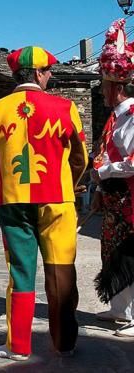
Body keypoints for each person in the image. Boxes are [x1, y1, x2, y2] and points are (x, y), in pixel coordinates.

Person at [0, 46, 88, 360]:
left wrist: (3, 184)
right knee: (61, 271)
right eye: (48, 71)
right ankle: (64, 343)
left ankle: (19, 346)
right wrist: (71, 183)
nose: (51, 76)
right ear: (38, 73)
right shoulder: (65, 107)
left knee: (21, 272)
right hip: (57, 199)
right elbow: (80, 158)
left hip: (14, 202)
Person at [92, 19, 134, 337]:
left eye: (104, 85)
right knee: (113, 252)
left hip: (130, 199)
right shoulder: (116, 117)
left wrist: (104, 171)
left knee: (130, 255)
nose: (102, 91)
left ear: (116, 86)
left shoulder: (131, 118)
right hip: (115, 199)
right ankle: (120, 309)